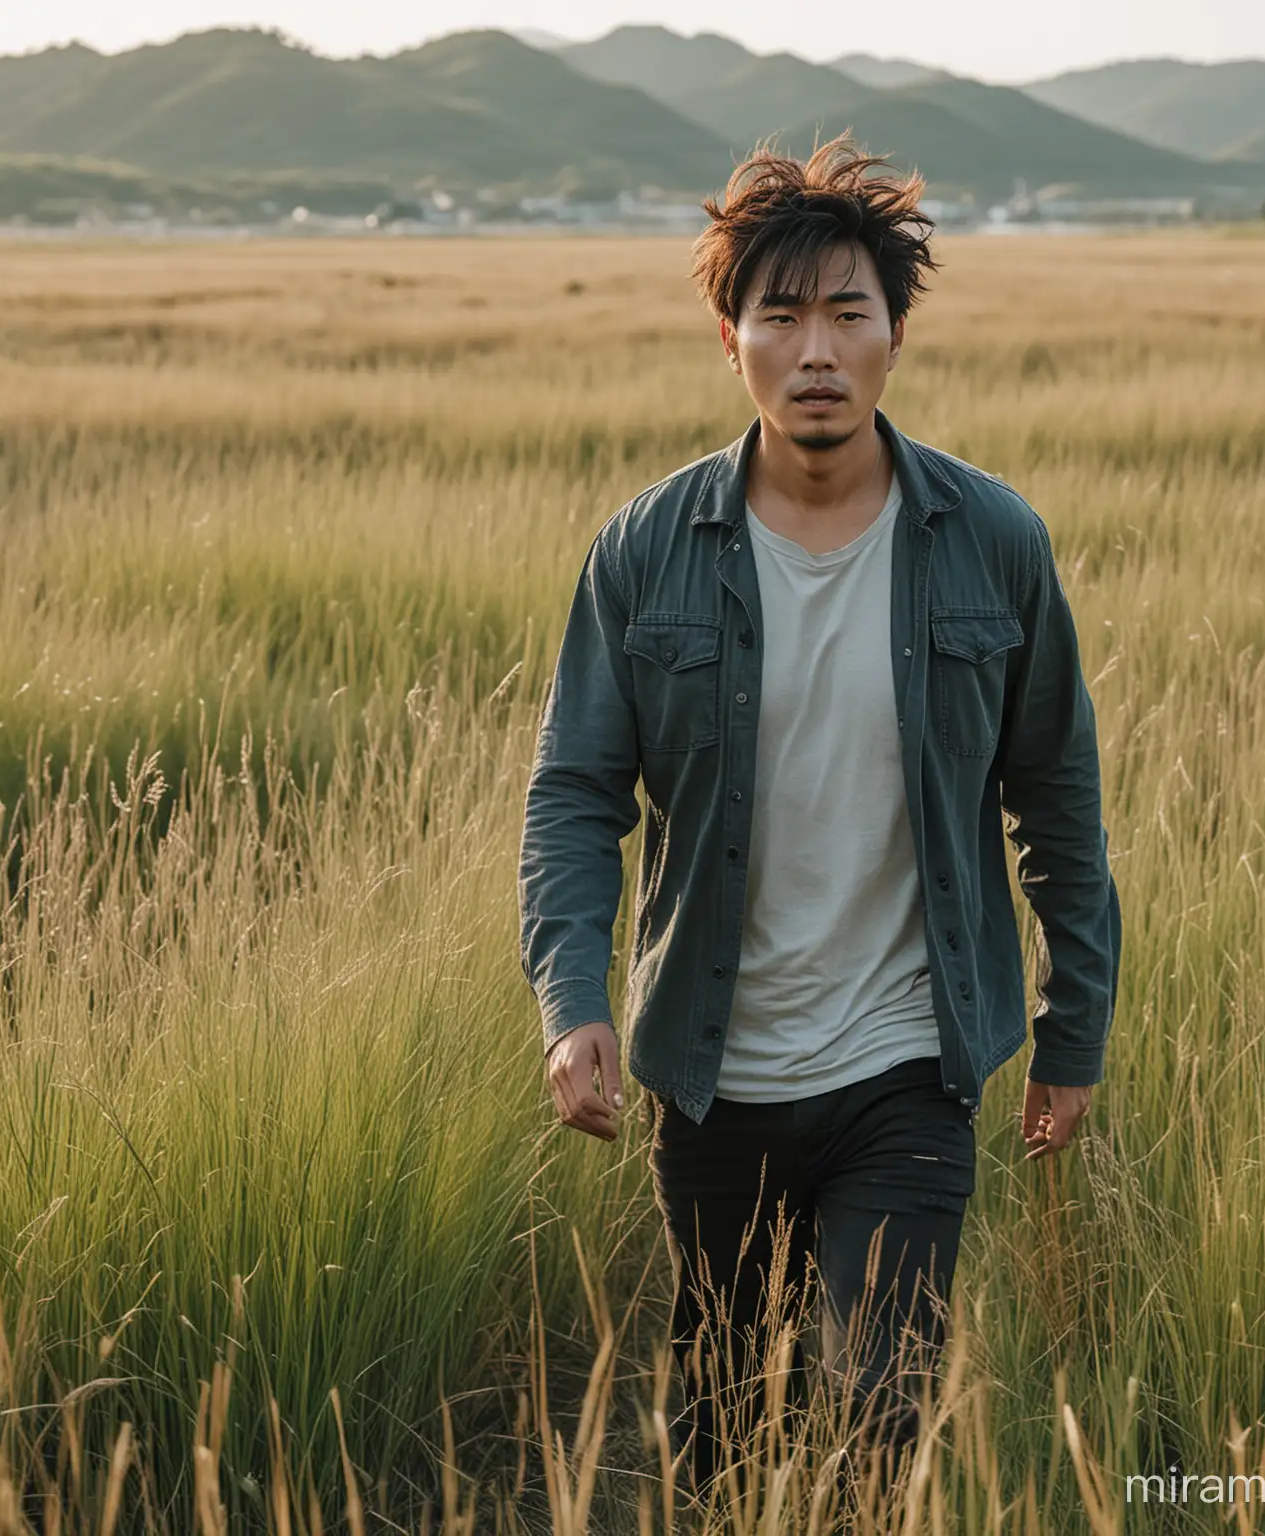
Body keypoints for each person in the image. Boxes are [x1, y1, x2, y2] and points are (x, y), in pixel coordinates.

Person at [517, 134, 1123, 1502]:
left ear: (896, 334)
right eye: (780, 315)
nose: (816, 350)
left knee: (881, 1409)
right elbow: (573, 793)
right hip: (710, 1073)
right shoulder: (646, 550)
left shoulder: (992, 542)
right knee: (724, 1428)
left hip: (907, 1068)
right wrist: (572, 1000)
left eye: (849, 312)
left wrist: (1070, 1033)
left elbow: (1059, 804)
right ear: (729, 337)